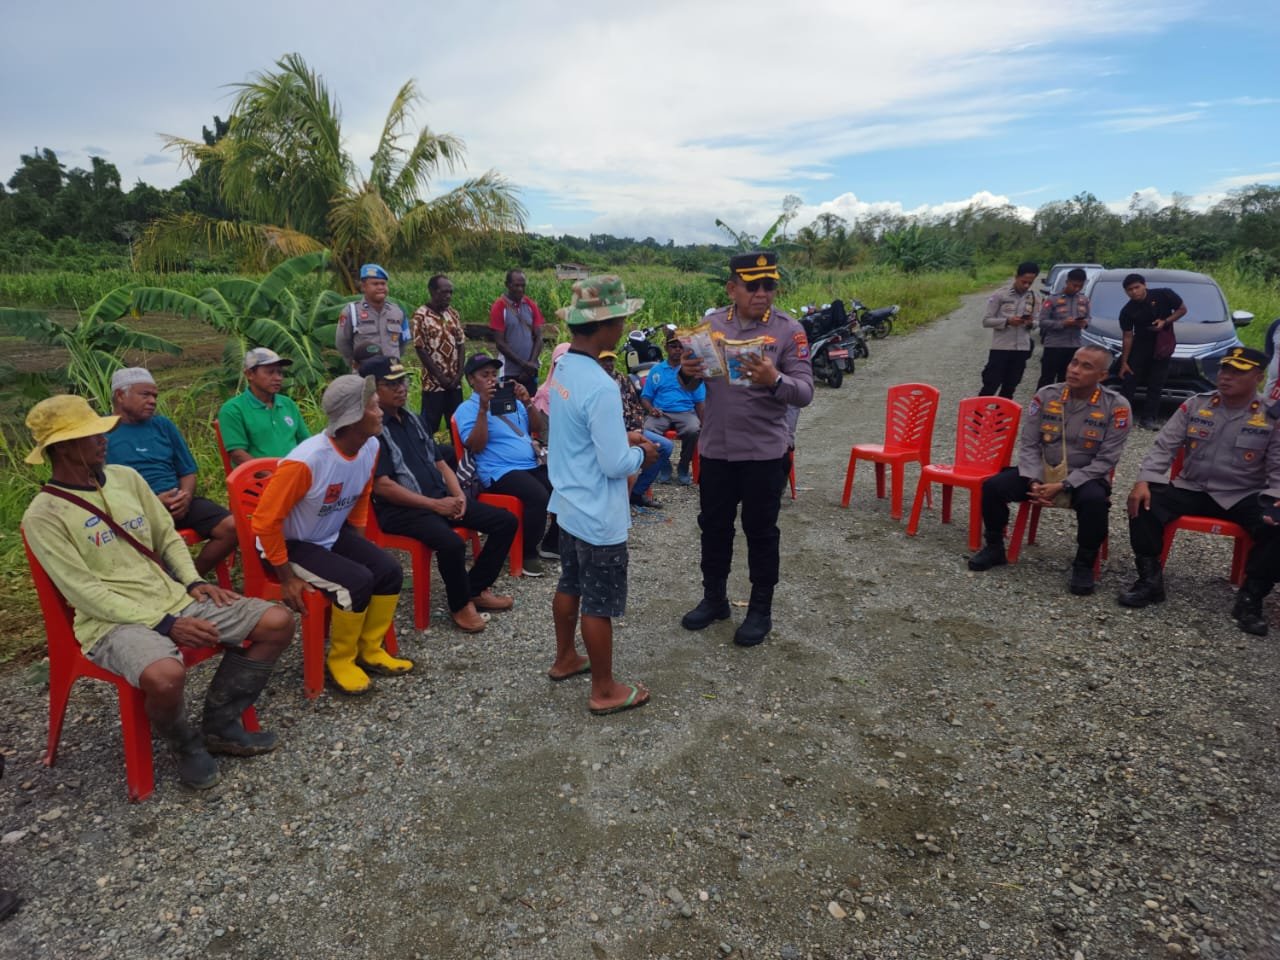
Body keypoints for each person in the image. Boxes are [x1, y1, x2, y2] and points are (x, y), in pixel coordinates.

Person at [22, 395, 294, 789]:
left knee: (277, 621)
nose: (104, 441)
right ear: (63, 447)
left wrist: (194, 582)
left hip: (174, 598)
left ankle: (220, 722)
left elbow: (167, 539)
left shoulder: (126, 479)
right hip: (111, 622)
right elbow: (82, 591)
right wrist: (165, 624)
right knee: (165, 677)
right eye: (93, 436)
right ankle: (184, 744)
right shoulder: (44, 514)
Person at [679, 251, 814, 646]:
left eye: (768, 285)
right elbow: (689, 383)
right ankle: (714, 598)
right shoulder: (711, 325)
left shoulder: (790, 331)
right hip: (717, 450)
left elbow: (805, 393)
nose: (761, 293)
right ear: (732, 288)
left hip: (763, 453)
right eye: (752, 286)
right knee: (714, 528)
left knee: (760, 532)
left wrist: (775, 379)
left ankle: (759, 609)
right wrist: (685, 374)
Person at [252, 374, 412, 694]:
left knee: (389, 570)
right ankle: (341, 660)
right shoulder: (307, 461)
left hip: (328, 535)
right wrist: (286, 578)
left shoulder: (370, 446)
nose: (379, 412)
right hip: (287, 545)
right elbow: (265, 522)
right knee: (356, 582)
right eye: (372, 406)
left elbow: (361, 495)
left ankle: (370, 648)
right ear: (352, 420)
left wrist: (359, 542)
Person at [547, 276, 658, 714]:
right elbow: (615, 465)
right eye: (622, 318)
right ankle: (604, 688)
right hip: (598, 512)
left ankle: (564, 658)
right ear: (608, 326)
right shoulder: (601, 384)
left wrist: (618, 438)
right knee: (599, 603)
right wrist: (642, 452)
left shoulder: (563, 369)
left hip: (568, 503)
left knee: (570, 582)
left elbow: (577, 434)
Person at [1118, 347, 1280, 635]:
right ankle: (1149, 580)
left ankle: (1251, 597)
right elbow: (1163, 447)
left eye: (1237, 372)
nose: (1226, 376)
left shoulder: (1271, 416)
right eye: (1225, 369)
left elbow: (1278, 469)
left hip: (1243, 494)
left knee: (1277, 526)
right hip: (1193, 487)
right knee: (1143, 502)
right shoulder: (1195, 405)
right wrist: (1144, 480)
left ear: (1259, 377)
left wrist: (1275, 500)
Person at [362, 356, 517, 634]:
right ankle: (460, 606)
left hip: (439, 499)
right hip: (402, 511)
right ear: (372, 390)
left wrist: (458, 497)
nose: (401, 389)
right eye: (391, 384)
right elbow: (383, 486)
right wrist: (436, 505)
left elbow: (440, 462)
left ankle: (474, 589)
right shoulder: (372, 429)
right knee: (451, 543)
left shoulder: (413, 419)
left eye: (403, 381)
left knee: (505, 521)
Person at [968, 345, 1132, 594]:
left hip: (1084, 476)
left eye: (1086, 367)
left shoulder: (1116, 407)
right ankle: (994, 547)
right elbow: (1030, 444)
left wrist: (1065, 485)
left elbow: (1106, 460)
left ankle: (1084, 564)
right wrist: (1033, 480)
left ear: (1102, 376)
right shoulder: (1046, 395)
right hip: (1043, 472)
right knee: (993, 487)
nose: (1075, 370)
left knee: (1096, 503)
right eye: (1074, 362)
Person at [105, 367, 238, 579]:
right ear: (121, 395)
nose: (152, 401)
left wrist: (184, 497)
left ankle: (188, 579)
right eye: (145, 395)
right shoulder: (103, 433)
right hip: (134, 512)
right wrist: (153, 503)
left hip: (177, 504)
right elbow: (102, 486)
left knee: (232, 527)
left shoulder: (163, 426)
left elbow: (187, 471)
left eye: (155, 396)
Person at [455, 354, 558, 576]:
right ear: (472, 380)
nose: (492, 379)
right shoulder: (467, 409)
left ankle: (552, 543)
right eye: (485, 375)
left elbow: (536, 427)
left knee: (562, 483)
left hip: (529, 463)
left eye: (494, 374)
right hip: (497, 470)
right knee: (537, 495)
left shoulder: (508, 401)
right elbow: (476, 446)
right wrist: (483, 409)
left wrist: (527, 402)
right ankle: (527, 552)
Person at [598, 349, 672, 510]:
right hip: (610, 435)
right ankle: (617, 501)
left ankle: (637, 493)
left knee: (665, 446)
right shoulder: (593, 382)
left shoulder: (622, 379)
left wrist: (637, 430)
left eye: (611, 360)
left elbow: (637, 407)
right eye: (604, 361)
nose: (608, 364)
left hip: (632, 428)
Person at [217, 347, 310, 466]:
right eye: (270, 372)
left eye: (280, 372)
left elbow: (305, 442)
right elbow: (237, 454)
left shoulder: (287, 404)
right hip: (258, 480)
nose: (278, 378)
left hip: (293, 474)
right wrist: (273, 477)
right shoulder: (233, 409)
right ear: (249, 374)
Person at [1118, 273, 1188, 429]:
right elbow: (1128, 336)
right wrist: (1124, 362)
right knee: (1129, 382)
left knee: (1156, 384)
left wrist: (1166, 321)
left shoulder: (1164, 294)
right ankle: (1120, 417)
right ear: (1126, 292)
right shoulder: (1127, 311)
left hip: (1162, 345)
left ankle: (1148, 419)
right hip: (1140, 346)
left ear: (1144, 285)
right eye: (1130, 289)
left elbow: (1182, 309)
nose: (1134, 292)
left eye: (1137, 287)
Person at [642, 336, 705, 485]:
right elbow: (645, 397)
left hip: (685, 412)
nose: (677, 349)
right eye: (673, 346)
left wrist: (705, 423)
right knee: (647, 430)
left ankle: (683, 466)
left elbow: (699, 401)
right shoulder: (656, 370)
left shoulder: (691, 370)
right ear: (666, 348)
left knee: (694, 429)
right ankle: (664, 466)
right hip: (661, 412)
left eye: (680, 346)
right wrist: (651, 409)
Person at [412, 274, 467, 435]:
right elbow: (420, 348)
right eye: (443, 292)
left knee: (457, 426)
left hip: (454, 382)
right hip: (433, 384)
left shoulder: (453, 314)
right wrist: (440, 377)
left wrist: (459, 373)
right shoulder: (421, 316)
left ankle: (459, 458)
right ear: (432, 291)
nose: (448, 296)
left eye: (450, 292)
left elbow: (461, 343)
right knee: (430, 426)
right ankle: (429, 459)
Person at [979, 261, 1039, 398]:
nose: (1026, 286)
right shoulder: (1000, 295)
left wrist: (1030, 323)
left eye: (1030, 283)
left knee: (1010, 387)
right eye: (1024, 281)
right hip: (1001, 348)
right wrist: (1007, 321)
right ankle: (978, 418)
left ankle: (1001, 418)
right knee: (990, 385)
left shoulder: (1034, 297)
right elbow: (986, 321)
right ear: (1016, 276)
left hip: (1022, 349)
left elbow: (1037, 322)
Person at [335, 264, 411, 369]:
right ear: (363, 287)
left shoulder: (397, 311)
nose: (380, 287)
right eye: (375, 284)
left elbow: (403, 342)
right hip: (365, 374)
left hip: (392, 373)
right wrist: (357, 364)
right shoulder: (351, 311)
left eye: (383, 284)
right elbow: (342, 343)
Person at [488, 269, 545, 393]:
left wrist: (530, 364)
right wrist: (524, 365)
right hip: (509, 371)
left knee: (530, 407)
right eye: (516, 285)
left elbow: (539, 337)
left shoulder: (531, 305)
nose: (520, 289)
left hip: (530, 371)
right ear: (507, 285)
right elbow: (500, 343)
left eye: (523, 285)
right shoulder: (499, 307)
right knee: (509, 409)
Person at [1036, 268, 1092, 388]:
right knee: (1047, 379)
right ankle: (1041, 405)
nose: (1077, 288)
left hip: (1074, 346)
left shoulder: (1084, 299)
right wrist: (1063, 324)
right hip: (1054, 346)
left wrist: (1083, 323)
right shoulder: (1052, 299)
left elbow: (1088, 318)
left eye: (1080, 286)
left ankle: (1063, 405)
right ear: (1067, 282)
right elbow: (1042, 322)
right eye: (1074, 285)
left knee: (1067, 380)